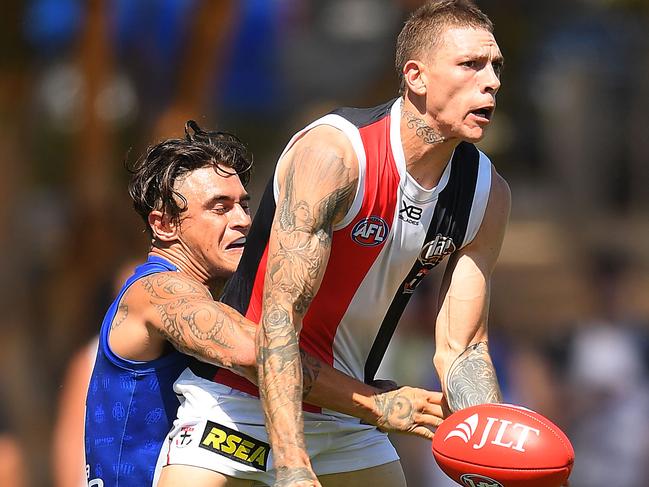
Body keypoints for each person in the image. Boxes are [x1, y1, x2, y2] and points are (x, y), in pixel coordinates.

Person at [161, 1, 510, 486]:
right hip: (236, 406)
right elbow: (280, 320)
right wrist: (292, 465)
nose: (491, 80)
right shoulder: (335, 155)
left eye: (495, 66)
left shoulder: (486, 193)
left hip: (350, 423)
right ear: (417, 76)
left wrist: (492, 457)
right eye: (471, 64)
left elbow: (464, 349)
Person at [84, 121, 444, 486]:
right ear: (163, 226)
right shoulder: (157, 291)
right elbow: (258, 355)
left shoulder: (218, 294)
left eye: (243, 204)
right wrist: (373, 404)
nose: (242, 220)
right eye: (219, 208)